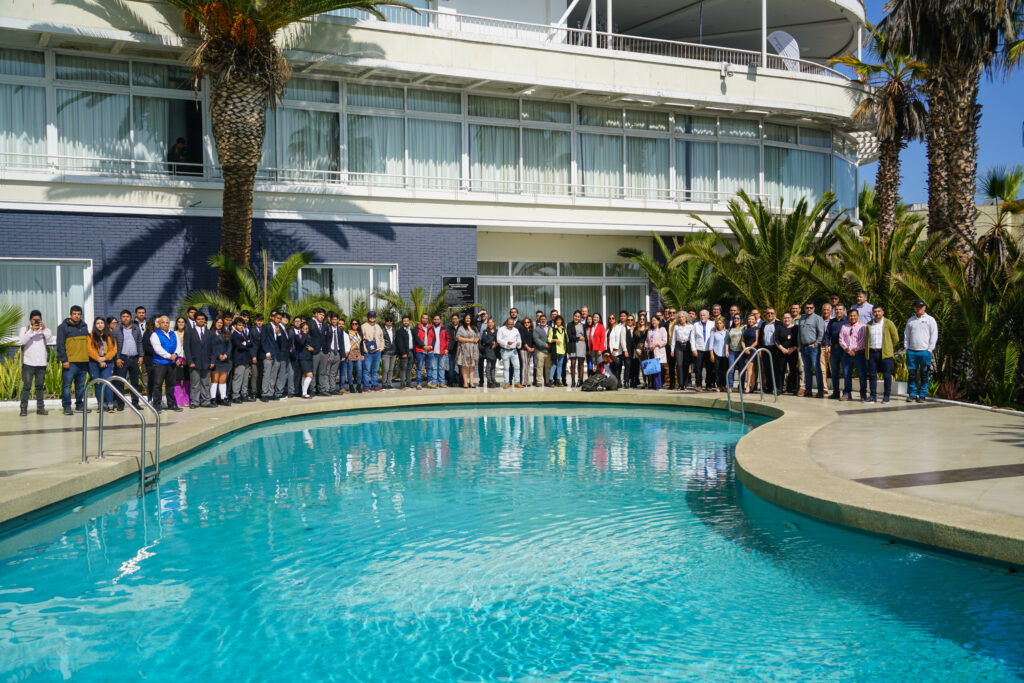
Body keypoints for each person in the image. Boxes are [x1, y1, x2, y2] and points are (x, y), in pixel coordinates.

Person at [56, 305, 90, 416]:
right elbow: (60, 345)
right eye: (74, 314)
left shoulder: (84, 326)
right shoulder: (63, 327)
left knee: (80, 386)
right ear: (70, 314)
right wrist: (64, 360)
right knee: (67, 386)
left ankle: (79, 405)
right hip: (70, 363)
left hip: (83, 362)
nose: (77, 316)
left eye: (79, 314)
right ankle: (67, 407)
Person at [18, 310, 53, 416]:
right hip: (28, 363)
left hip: (41, 363)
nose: (36, 322)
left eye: (38, 320)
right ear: (30, 320)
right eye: (34, 320)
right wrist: (31, 331)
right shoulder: (25, 329)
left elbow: (50, 340)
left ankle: (40, 408)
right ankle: (23, 408)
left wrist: (44, 330)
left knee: (40, 386)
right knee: (27, 386)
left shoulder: (45, 330)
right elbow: (22, 341)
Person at [904, 299, 939, 403]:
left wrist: (929, 350)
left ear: (924, 307)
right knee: (912, 374)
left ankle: (922, 395)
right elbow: (906, 335)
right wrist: (907, 348)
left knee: (924, 374)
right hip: (912, 352)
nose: (918, 308)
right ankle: (912, 395)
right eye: (916, 307)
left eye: (920, 307)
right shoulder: (911, 320)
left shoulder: (930, 320)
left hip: (924, 352)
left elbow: (934, 335)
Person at [865, 305, 899, 404]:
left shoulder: (888, 323)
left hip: (885, 353)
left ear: (883, 312)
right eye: (875, 312)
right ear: (872, 313)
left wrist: (888, 347)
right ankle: (873, 396)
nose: (877, 313)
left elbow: (895, 338)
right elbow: (867, 339)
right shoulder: (869, 324)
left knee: (887, 375)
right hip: (872, 353)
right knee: (872, 375)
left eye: (879, 311)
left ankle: (886, 396)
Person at [149, 316, 184, 411]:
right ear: (159, 324)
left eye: (167, 322)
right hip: (160, 364)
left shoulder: (173, 333)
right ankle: (157, 405)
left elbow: (179, 345)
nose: (165, 324)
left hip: (171, 364)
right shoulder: (155, 335)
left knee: (171, 385)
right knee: (158, 385)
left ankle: (171, 404)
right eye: (163, 322)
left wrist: (176, 354)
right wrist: (169, 356)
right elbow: (158, 349)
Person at [110, 310, 142, 411]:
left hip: (134, 358)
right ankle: (120, 404)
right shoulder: (116, 330)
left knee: (134, 382)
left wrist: (141, 356)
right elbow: (113, 346)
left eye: (127, 316)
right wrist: (117, 358)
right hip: (122, 359)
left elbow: (140, 343)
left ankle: (135, 403)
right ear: (121, 318)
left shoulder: (136, 329)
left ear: (131, 317)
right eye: (123, 316)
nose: (125, 318)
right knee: (120, 383)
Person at [185, 313, 215, 408]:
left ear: (205, 320)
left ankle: (206, 401)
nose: (201, 320)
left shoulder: (210, 333)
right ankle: (195, 402)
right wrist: (190, 361)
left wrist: (212, 361)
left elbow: (213, 349)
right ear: (195, 320)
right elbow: (186, 348)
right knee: (195, 383)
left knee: (205, 383)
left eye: (202, 319)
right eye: (199, 319)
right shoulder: (189, 332)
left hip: (207, 362)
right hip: (194, 362)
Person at [796, 302, 825, 398]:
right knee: (807, 369)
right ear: (804, 308)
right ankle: (808, 390)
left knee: (817, 369)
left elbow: (821, 333)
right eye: (807, 307)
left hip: (813, 348)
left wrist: (816, 344)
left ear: (814, 308)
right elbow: (799, 333)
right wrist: (799, 344)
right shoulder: (802, 318)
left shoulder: (818, 318)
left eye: (811, 307)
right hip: (803, 348)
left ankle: (820, 391)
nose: (809, 309)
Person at [839, 308, 867, 401]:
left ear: (858, 316)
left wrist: (853, 349)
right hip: (846, 354)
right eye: (850, 316)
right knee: (847, 374)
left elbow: (863, 340)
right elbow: (841, 339)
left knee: (862, 374)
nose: (852, 317)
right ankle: (847, 393)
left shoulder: (863, 327)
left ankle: (863, 394)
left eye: (854, 315)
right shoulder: (844, 327)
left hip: (859, 354)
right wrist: (848, 350)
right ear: (848, 317)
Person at [260, 311, 288, 401]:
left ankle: (270, 393)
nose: (279, 320)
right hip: (268, 354)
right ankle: (264, 394)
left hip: (277, 355)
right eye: (277, 318)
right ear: (273, 318)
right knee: (267, 374)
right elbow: (263, 341)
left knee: (273, 375)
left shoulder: (280, 328)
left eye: (280, 319)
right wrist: (267, 353)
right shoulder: (266, 327)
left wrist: (279, 333)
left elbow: (281, 342)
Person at [824, 303, 847, 400]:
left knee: (846, 372)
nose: (838, 311)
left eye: (840, 309)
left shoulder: (847, 321)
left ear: (844, 311)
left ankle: (847, 392)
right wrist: (827, 345)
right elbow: (827, 334)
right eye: (836, 309)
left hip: (845, 350)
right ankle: (835, 392)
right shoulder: (832, 321)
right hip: (834, 349)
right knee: (834, 372)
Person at [230, 316, 257, 402]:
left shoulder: (244, 334)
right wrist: (246, 343)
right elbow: (240, 346)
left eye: (242, 325)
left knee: (245, 379)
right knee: (238, 378)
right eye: (239, 325)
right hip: (239, 359)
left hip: (246, 359)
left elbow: (251, 343)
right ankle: (235, 396)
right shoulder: (234, 334)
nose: (241, 327)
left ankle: (244, 394)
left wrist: (245, 343)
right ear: (235, 325)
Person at [210, 316, 232, 406]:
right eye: (218, 322)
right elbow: (211, 346)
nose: (220, 324)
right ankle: (213, 398)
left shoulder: (225, 333)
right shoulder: (210, 333)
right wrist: (219, 355)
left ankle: (223, 398)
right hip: (215, 359)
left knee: (223, 380)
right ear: (214, 323)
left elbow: (229, 346)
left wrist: (226, 355)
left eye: (221, 323)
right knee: (215, 379)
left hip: (224, 360)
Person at [775, 312, 799, 394]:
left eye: (788, 317)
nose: (786, 319)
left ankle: (793, 388)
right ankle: (779, 388)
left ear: (791, 318)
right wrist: (782, 348)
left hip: (793, 352)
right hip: (782, 352)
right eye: (785, 318)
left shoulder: (796, 328)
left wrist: (793, 348)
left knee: (793, 370)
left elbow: (798, 339)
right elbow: (776, 339)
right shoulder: (779, 328)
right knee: (781, 370)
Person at [691, 310, 715, 391]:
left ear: (708, 316)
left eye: (704, 315)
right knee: (698, 368)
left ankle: (708, 385)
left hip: (709, 349)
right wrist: (693, 349)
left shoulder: (712, 324)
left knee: (709, 368)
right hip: (699, 349)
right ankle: (698, 385)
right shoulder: (695, 325)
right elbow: (692, 338)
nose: (702, 317)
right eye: (701, 315)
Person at [360, 311, 385, 391]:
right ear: (368, 317)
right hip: (368, 352)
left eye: (373, 316)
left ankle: (375, 385)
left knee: (375, 370)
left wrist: (381, 347)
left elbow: (381, 338)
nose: (372, 317)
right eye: (370, 316)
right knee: (366, 370)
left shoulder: (378, 326)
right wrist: (364, 349)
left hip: (377, 352)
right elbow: (361, 339)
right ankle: (366, 386)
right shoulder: (363, 326)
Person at [455, 313, 479, 389]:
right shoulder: (461, 328)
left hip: (473, 350)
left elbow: (478, 336)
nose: (468, 319)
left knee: (472, 366)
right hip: (463, 350)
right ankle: (465, 383)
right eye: (466, 318)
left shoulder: (474, 328)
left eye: (469, 318)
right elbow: (458, 338)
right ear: (464, 319)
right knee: (464, 366)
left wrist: (476, 339)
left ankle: (471, 383)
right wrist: (470, 340)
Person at [497, 317, 523, 388]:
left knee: (517, 367)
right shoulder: (501, 329)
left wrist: (519, 343)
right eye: (510, 324)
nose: (511, 325)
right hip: (505, 350)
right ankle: (506, 382)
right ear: (506, 323)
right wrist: (506, 342)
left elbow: (519, 339)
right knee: (506, 368)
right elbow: (498, 340)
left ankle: (517, 382)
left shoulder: (515, 330)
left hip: (514, 351)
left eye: (512, 324)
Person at [308, 308, 329, 396]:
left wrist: (327, 351)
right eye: (320, 314)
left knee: (322, 372)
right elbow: (307, 336)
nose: (322, 316)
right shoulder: (310, 324)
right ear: (316, 314)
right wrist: (310, 347)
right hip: (314, 351)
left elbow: (328, 338)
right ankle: (312, 390)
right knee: (313, 372)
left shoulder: (325, 325)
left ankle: (321, 390)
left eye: (323, 315)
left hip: (324, 352)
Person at [293, 321, 316, 399]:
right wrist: (304, 334)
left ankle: (304, 392)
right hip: (302, 358)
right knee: (310, 375)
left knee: (305, 375)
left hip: (309, 357)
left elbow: (313, 345)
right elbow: (301, 343)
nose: (306, 330)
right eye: (305, 328)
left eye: (307, 328)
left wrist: (312, 349)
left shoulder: (309, 336)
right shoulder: (297, 336)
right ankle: (304, 393)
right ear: (301, 329)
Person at [672, 312, 694, 391]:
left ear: (686, 318)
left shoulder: (691, 326)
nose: (681, 319)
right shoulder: (676, 326)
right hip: (678, 345)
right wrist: (672, 349)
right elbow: (673, 338)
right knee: (679, 365)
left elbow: (692, 338)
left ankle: (685, 384)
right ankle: (680, 384)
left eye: (683, 317)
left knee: (686, 365)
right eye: (679, 317)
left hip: (687, 345)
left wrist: (693, 349)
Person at [645, 316, 668, 389]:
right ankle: (653, 384)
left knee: (657, 368)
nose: (653, 322)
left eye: (655, 320)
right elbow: (647, 340)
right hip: (651, 351)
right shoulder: (650, 330)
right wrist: (646, 346)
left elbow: (665, 341)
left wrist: (657, 344)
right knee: (652, 368)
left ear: (658, 321)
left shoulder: (662, 329)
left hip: (658, 350)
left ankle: (658, 385)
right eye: (652, 321)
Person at [414, 314, 436, 390]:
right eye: (423, 318)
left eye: (426, 318)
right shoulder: (417, 328)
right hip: (420, 351)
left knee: (429, 368)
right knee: (419, 368)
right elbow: (417, 339)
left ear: (428, 319)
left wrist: (431, 346)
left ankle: (429, 382)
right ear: (421, 319)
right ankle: (419, 383)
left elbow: (434, 338)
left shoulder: (431, 327)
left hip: (430, 351)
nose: (425, 319)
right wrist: (423, 346)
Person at [567, 311, 587, 388]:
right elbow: (569, 336)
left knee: (581, 363)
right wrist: (578, 338)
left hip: (581, 345)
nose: (577, 318)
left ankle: (580, 380)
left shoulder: (583, 325)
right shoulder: (569, 324)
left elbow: (585, 336)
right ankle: (573, 380)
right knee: (573, 363)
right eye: (576, 316)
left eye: (578, 316)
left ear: (580, 317)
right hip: (573, 345)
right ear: (573, 316)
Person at [395, 315, 415, 390]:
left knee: (409, 369)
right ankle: (402, 384)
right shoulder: (399, 331)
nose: (406, 322)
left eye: (407, 321)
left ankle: (409, 383)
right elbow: (399, 343)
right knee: (403, 369)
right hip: (404, 353)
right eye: (404, 321)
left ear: (409, 321)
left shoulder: (411, 330)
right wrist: (403, 353)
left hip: (411, 352)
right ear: (402, 322)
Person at [547, 315, 567, 387]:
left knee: (560, 365)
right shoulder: (552, 329)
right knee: (554, 365)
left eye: (560, 320)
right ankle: (550, 380)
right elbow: (549, 339)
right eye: (557, 320)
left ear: (562, 321)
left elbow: (566, 340)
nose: (558, 321)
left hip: (563, 350)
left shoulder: (564, 329)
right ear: (555, 321)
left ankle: (558, 380)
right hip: (555, 349)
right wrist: (554, 340)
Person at [710, 316, 729, 391]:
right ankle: (718, 385)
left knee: (724, 370)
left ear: (723, 324)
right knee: (717, 370)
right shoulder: (713, 332)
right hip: (716, 353)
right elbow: (711, 345)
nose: (719, 325)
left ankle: (724, 385)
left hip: (724, 354)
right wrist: (711, 355)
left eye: (720, 323)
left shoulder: (727, 332)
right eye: (717, 323)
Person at [726, 316, 744, 391]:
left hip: (741, 351)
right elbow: (727, 341)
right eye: (735, 318)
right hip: (732, 351)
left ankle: (741, 386)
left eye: (738, 318)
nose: (736, 319)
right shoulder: (730, 329)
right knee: (731, 369)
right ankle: (730, 386)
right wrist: (726, 351)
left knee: (741, 369)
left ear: (740, 319)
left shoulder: (743, 328)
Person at [479, 318, 499, 388]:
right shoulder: (485, 331)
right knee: (488, 366)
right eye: (489, 322)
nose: (490, 324)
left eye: (491, 322)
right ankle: (489, 381)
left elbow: (499, 339)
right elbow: (484, 339)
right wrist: (492, 342)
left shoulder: (497, 331)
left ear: (494, 323)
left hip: (495, 350)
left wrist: (496, 343)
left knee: (493, 366)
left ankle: (493, 380)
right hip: (488, 350)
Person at [534, 314, 553, 387]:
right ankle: (539, 381)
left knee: (548, 367)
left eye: (544, 319)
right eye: (541, 319)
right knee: (539, 366)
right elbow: (536, 339)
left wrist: (550, 345)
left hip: (549, 351)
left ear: (546, 320)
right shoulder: (537, 329)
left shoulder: (551, 328)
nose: (543, 320)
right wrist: (545, 344)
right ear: (539, 320)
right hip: (540, 350)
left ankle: (547, 381)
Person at [346, 319, 365, 393]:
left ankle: (359, 385)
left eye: (356, 324)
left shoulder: (360, 333)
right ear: (351, 324)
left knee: (359, 370)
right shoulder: (347, 332)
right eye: (353, 324)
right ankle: (351, 385)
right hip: (350, 352)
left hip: (358, 352)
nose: (354, 325)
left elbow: (361, 344)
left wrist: (362, 354)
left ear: (358, 325)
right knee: (350, 370)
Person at [431, 314, 449, 388]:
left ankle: (442, 382)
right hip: (433, 352)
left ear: (440, 320)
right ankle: (434, 382)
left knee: (441, 368)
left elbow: (448, 339)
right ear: (433, 320)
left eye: (438, 319)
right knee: (434, 368)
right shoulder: (430, 328)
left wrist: (447, 348)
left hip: (442, 352)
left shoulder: (444, 329)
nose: (436, 321)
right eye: (435, 319)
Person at [519, 317, 536, 387]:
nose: (526, 324)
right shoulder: (522, 329)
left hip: (530, 350)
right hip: (523, 349)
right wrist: (528, 348)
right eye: (525, 322)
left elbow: (533, 340)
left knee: (528, 365)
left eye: (528, 322)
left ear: (530, 323)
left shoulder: (531, 330)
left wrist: (533, 347)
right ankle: (523, 382)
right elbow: (523, 340)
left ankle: (527, 381)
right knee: (524, 365)